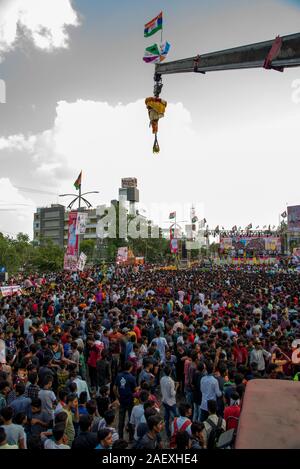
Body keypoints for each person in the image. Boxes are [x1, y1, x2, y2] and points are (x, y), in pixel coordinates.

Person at [113, 361, 137, 440]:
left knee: (121, 420)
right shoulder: (132, 377)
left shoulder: (119, 375)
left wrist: (117, 396)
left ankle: (120, 438)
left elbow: (114, 388)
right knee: (131, 419)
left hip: (121, 400)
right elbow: (135, 390)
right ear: (130, 367)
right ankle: (130, 438)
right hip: (130, 401)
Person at [160, 365, 178, 439]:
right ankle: (176, 431)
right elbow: (172, 394)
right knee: (176, 416)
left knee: (166, 417)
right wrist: (176, 387)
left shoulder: (162, 379)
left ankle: (167, 432)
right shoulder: (171, 381)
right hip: (171, 402)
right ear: (170, 372)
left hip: (164, 400)